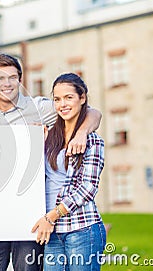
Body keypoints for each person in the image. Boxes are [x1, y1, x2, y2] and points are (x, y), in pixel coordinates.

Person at [0, 54, 102, 271]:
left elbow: (91, 112)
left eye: (13, 77)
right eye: (0, 78)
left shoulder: (42, 108)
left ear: (20, 80)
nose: (7, 84)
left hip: (31, 212)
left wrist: (82, 133)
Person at [31, 73, 106, 270]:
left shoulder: (92, 141)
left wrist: (51, 216)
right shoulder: (49, 138)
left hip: (82, 229)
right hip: (53, 232)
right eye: (57, 99)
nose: (62, 104)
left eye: (69, 97)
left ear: (82, 98)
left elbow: (88, 188)